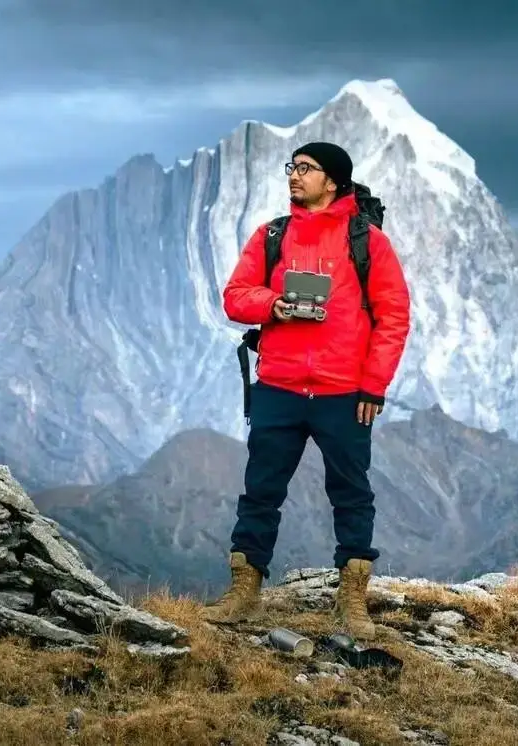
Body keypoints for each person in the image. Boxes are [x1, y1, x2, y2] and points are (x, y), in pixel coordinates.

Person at [202, 141, 411, 640]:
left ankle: (352, 602)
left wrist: (373, 386)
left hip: (344, 393)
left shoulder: (368, 242)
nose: (294, 176)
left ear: (333, 180)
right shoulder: (272, 235)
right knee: (260, 490)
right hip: (278, 384)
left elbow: (393, 317)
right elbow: (235, 298)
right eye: (292, 167)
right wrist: (275, 304)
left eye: (306, 169)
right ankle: (243, 592)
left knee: (351, 493)